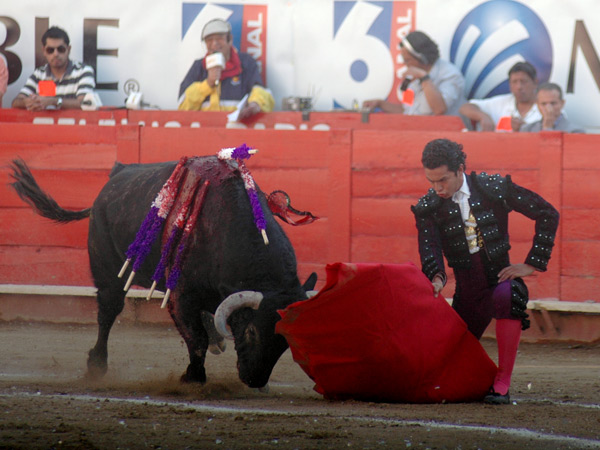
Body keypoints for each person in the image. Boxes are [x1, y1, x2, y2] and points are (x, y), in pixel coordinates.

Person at [411, 138, 559, 404]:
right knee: (446, 366)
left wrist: (532, 264)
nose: (437, 188)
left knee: (509, 294)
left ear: (460, 169)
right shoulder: (428, 207)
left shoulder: (494, 188)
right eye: (431, 181)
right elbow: (429, 247)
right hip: (467, 293)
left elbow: (548, 213)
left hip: (500, 279)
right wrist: (436, 276)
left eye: (443, 180)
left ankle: (502, 383)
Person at [178, 18, 274, 119]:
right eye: (209, 40)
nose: (214, 44)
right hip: (206, 130)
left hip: (237, 129)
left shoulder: (245, 62)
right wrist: (208, 84)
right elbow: (183, 107)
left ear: (230, 40)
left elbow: (261, 91)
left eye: (219, 38)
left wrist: (255, 104)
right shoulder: (199, 66)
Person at [362, 31, 466, 116]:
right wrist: (380, 104)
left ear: (423, 59)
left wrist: (424, 79)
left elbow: (439, 109)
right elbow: (407, 110)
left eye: (408, 60)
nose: (406, 65)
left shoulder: (451, 74)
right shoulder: (413, 78)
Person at [12, 26, 95, 111]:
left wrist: (54, 101)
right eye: (50, 50)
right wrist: (28, 102)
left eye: (61, 49)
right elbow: (16, 102)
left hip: (74, 123)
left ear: (69, 49)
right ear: (44, 51)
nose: (56, 54)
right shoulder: (39, 74)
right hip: (45, 123)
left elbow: (86, 103)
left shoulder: (83, 71)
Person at [459, 61, 541, 131]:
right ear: (510, 84)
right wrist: (483, 117)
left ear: (535, 82)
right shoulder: (501, 103)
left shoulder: (545, 105)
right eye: (514, 82)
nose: (519, 87)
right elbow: (465, 107)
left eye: (523, 81)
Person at [520, 82, 585, 133]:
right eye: (544, 104)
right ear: (537, 104)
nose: (548, 108)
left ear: (562, 103)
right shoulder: (527, 129)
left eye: (553, 103)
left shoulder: (574, 131)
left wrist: (547, 128)